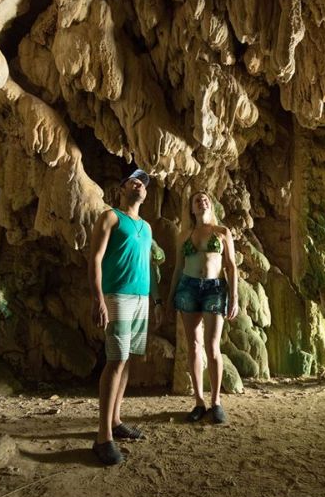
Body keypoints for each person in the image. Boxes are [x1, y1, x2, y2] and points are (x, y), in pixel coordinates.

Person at [88, 168, 163, 465]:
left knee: (128, 358)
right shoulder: (111, 218)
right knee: (116, 360)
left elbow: (148, 266)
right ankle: (102, 436)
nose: (139, 185)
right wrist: (99, 300)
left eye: (143, 183)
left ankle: (116, 421)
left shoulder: (146, 227)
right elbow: (94, 259)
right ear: (122, 188)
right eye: (133, 180)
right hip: (117, 295)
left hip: (142, 297)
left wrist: (156, 300)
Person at [165, 191, 239, 424]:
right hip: (187, 288)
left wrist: (234, 296)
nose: (202, 201)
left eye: (205, 198)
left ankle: (216, 402)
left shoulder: (222, 232)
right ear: (192, 209)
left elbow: (231, 267)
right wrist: (170, 297)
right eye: (197, 200)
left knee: (212, 345)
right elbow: (178, 268)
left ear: (211, 205)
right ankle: (198, 401)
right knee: (194, 346)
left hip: (214, 289)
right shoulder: (184, 235)